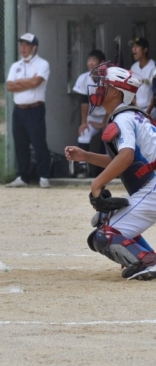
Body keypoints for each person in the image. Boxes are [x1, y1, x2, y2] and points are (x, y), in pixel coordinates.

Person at [64, 65, 156, 281]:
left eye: (103, 84)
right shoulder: (131, 115)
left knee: (104, 234)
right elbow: (123, 160)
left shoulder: (123, 118)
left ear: (115, 92)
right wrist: (86, 156)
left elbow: (126, 157)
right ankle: (146, 257)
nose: (98, 88)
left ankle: (147, 261)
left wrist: (96, 184)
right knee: (106, 221)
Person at [6, 33, 51, 188]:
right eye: (21, 45)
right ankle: (22, 176)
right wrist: (27, 82)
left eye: (27, 45)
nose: (23, 48)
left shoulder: (42, 64)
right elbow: (9, 86)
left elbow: (36, 82)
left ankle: (43, 176)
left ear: (34, 47)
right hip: (19, 110)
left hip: (35, 109)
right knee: (20, 143)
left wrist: (19, 82)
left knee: (39, 143)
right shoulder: (15, 66)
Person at [71, 49, 107, 178]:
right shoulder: (83, 78)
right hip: (92, 118)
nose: (91, 63)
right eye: (89, 60)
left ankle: (110, 169)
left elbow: (113, 103)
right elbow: (84, 102)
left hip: (108, 117)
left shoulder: (108, 79)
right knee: (84, 133)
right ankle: (82, 167)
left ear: (102, 63)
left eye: (94, 60)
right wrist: (83, 123)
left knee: (111, 136)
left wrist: (104, 123)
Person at [130, 37, 155, 117]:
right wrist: (135, 104)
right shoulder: (133, 67)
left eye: (137, 46)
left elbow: (155, 94)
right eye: (133, 46)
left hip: (152, 111)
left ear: (145, 50)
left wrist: (147, 113)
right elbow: (130, 89)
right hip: (138, 110)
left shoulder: (153, 67)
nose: (133, 49)